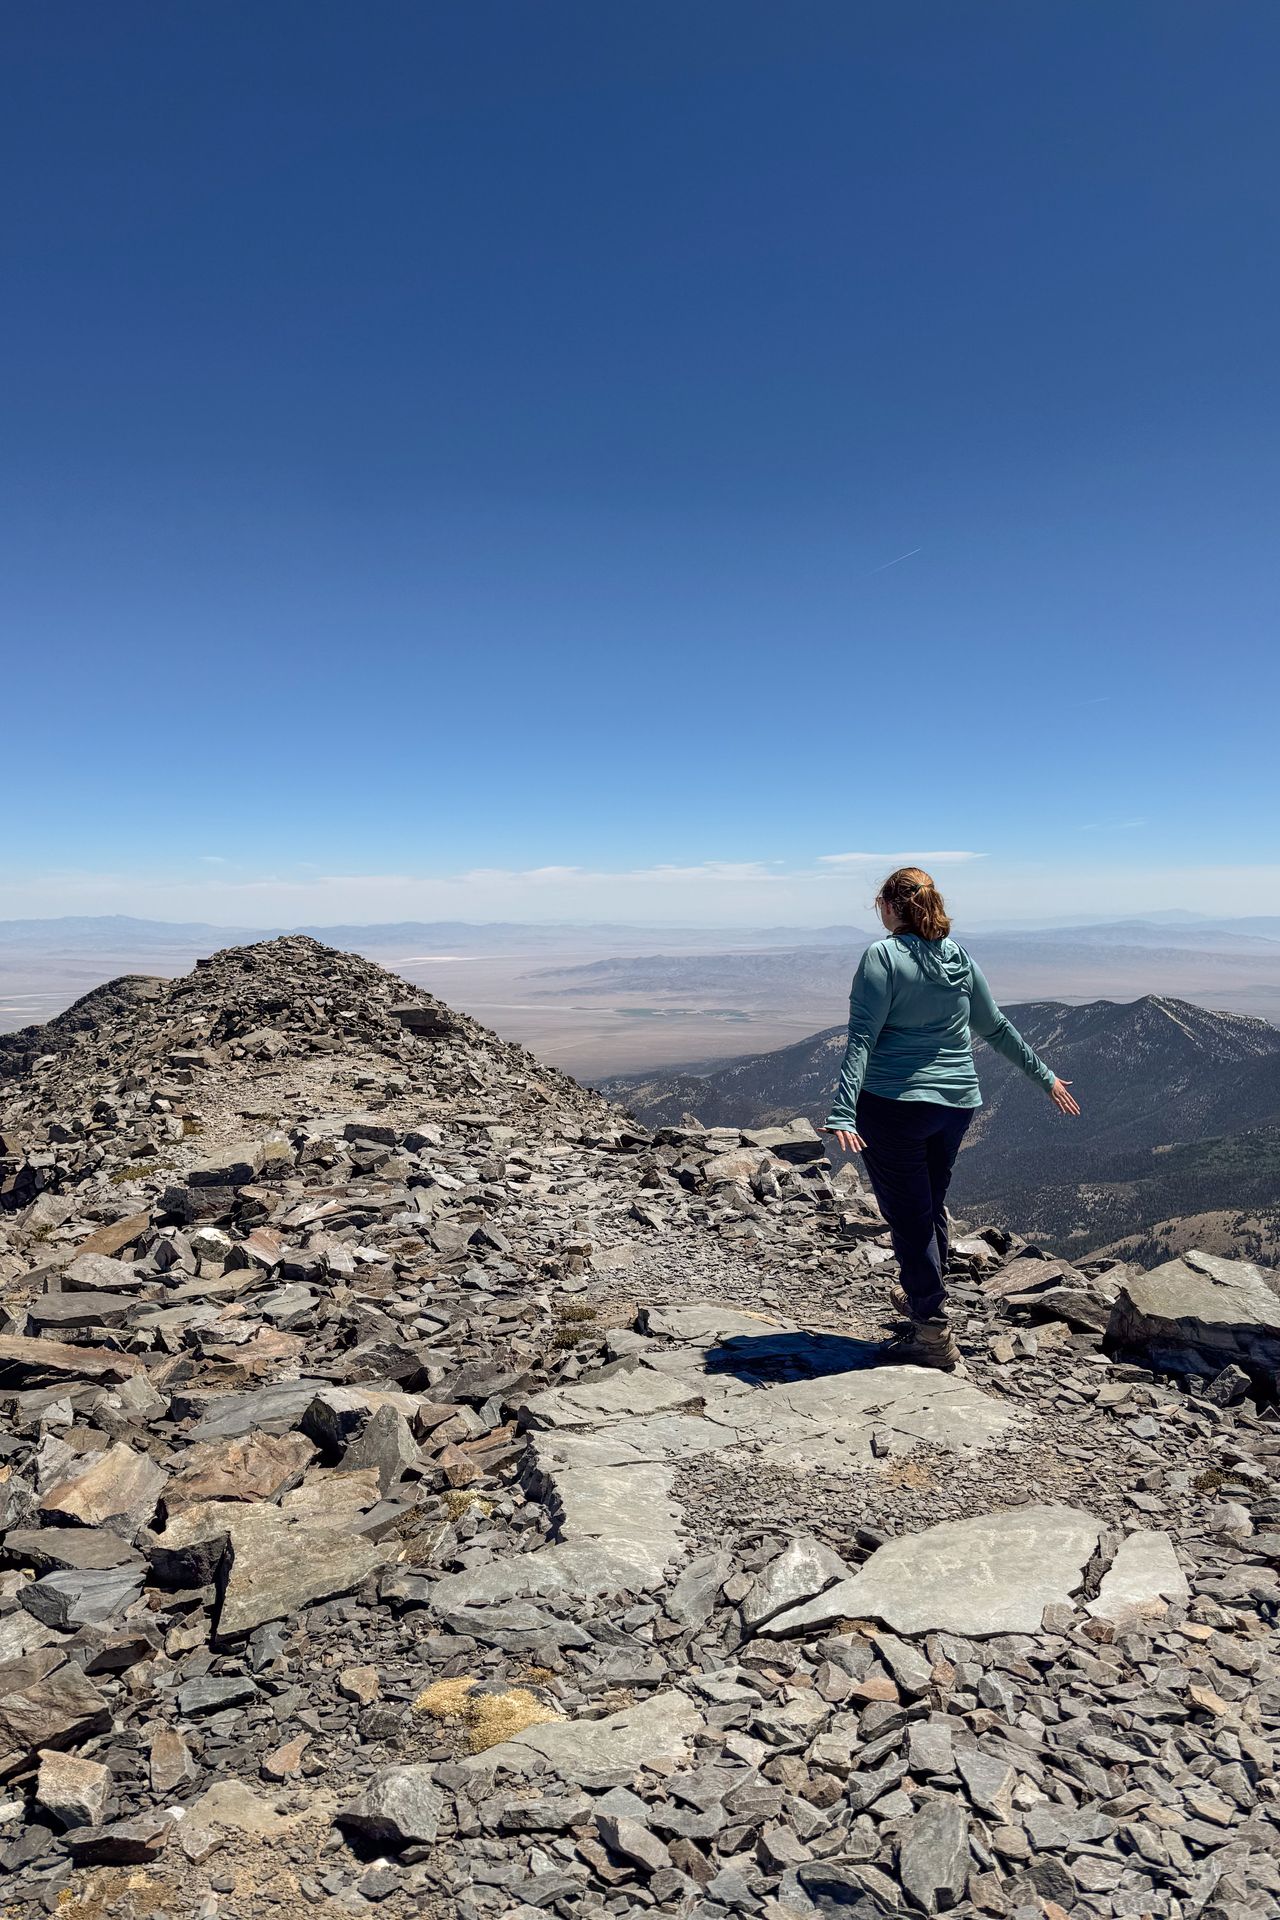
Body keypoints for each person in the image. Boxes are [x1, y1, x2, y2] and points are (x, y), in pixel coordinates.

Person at [824, 867, 1080, 1369]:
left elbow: (861, 1038)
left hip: (893, 1105)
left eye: (880, 903)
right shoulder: (958, 958)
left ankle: (931, 1332)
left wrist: (842, 1108)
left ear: (892, 906)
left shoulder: (882, 957)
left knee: (909, 1217)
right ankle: (927, 1300)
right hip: (956, 1106)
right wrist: (1045, 1076)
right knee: (931, 1203)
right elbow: (996, 1027)